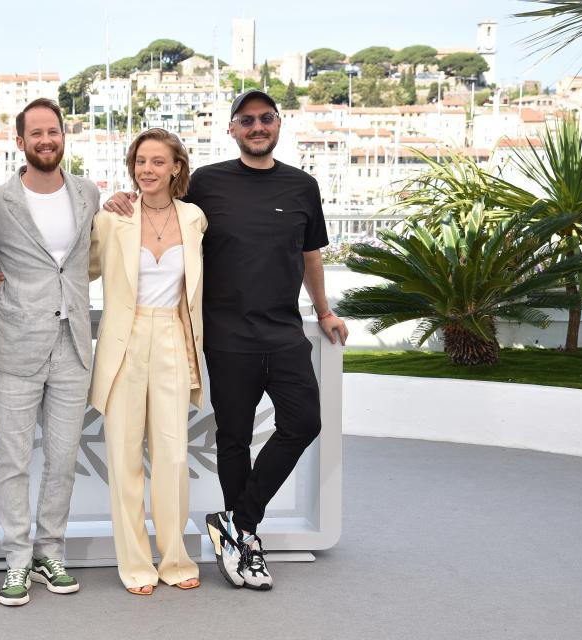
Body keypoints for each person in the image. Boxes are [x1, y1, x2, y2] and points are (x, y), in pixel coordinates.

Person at [104, 89, 349, 591]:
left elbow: (311, 257)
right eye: (246, 120)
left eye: (266, 119)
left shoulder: (303, 186)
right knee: (233, 440)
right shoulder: (207, 185)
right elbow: (159, 211)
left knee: (304, 421)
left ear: (278, 124)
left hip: (283, 333)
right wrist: (124, 197)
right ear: (232, 129)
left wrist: (323, 311)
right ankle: (245, 544)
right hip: (225, 337)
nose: (257, 127)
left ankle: (238, 520)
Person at [0, 98, 100, 606]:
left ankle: (51, 550)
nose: (46, 140)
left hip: (74, 344)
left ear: (63, 137)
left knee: (63, 457)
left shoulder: (88, 194)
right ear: (20, 140)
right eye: (36, 133)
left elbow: (94, 255)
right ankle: (16, 560)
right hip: (15, 343)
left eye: (54, 131)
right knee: (12, 461)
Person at [88, 128, 206, 595]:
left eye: (158, 162)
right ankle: (136, 565)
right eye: (141, 162)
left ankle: (175, 560)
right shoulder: (113, 217)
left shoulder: (195, 218)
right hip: (124, 339)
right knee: (123, 457)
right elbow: (79, 270)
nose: (148, 170)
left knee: (173, 456)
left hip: (174, 337)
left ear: (177, 167)